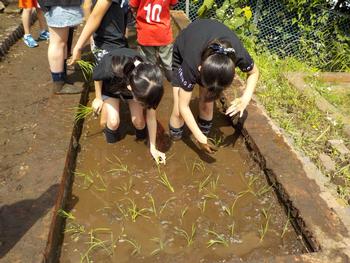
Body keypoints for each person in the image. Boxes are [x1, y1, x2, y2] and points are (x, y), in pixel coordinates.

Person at [169, 19, 259, 153]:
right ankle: (175, 143)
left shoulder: (238, 53)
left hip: (209, 52)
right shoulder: (191, 63)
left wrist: (245, 99)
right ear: (200, 69)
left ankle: (205, 136)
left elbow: (254, 72)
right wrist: (199, 138)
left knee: (207, 103)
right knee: (177, 111)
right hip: (186, 46)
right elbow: (183, 106)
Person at [92, 48, 166, 164]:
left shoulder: (151, 87)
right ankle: (111, 145)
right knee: (113, 121)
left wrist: (153, 148)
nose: (143, 105)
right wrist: (98, 98)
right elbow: (97, 76)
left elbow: (151, 118)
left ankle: (141, 137)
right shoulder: (111, 67)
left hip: (135, 86)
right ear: (131, 89)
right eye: (141, 102)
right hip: (112, 85)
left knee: (139, 122)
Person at [38, 0, 83, 94]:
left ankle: (62, 76)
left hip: (60, 4)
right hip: (58, 4)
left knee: (62, 42)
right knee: (58, 42)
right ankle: (58, 84)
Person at [129, 0, 177, 81]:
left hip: (145, 32)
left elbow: (133, 6)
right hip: (163, 32)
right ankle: (174, 83)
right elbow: (172, 5)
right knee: (168, 62)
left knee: (149, 62)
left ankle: (152, 83)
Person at [69, 0, 129, 64]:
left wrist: (78, 47)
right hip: (104, 43)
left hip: (111, 45)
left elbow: (95, 16)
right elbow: (87, 6)